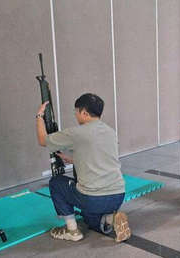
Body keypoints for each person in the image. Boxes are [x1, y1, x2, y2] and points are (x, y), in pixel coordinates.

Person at [36, 93, 131, 242]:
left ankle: (72, 231)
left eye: (76, 112)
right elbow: (101, 158)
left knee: (56, 183)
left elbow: (43, 140)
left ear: (84, 113)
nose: (76, 115)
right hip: (118, 195)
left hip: (93, 198)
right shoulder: (110, 132)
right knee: (89, 219)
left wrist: (39, 117)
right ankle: (111, 218)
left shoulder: (77, 132)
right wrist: (74, 160)